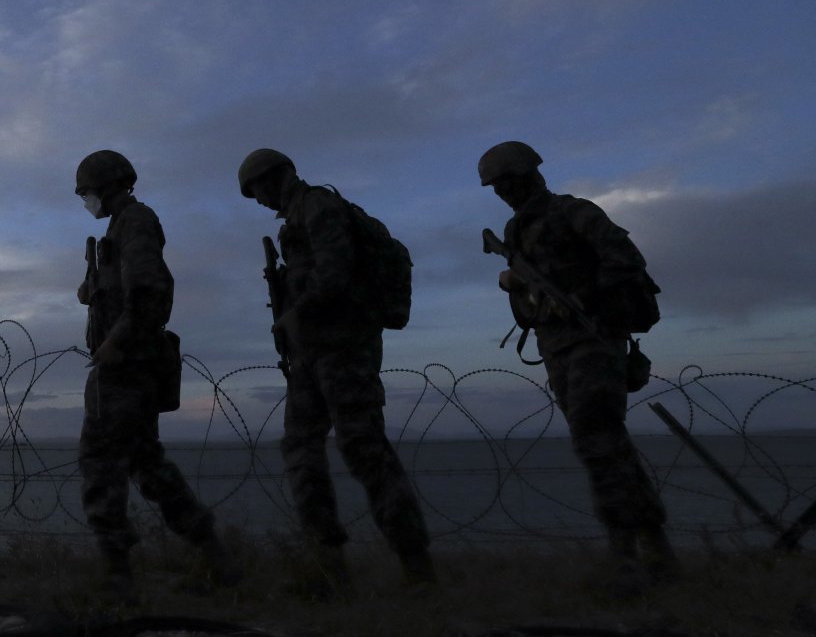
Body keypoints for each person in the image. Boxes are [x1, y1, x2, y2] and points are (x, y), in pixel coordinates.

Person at [479, 140, 678, 592]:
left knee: (597, 442)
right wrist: (514, 283)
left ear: (529, 175)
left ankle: (624, 555)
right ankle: (656, 545)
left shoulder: (573, 212)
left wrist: (590, 300)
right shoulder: (512, 233)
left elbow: (627, 261)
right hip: (557, 347)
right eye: (496, 187)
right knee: (609, 444)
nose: (503, 193)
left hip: (593, 339)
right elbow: (524, 301)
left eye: (508, 182)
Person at [237, 148, 435, 596]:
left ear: (279, 177)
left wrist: (295, 313)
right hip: (311, 354)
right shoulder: (294, 221)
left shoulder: (319, 206)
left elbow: (335, 274)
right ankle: (326, 566)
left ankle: (417, 568)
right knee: (301, 451)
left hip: (346, 348)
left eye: (260, 190)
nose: (260, 201)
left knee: (364, 449)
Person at [73, 149, 237, 599]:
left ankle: (117, 576)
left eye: (87, 192)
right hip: (125, 366)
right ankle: (216, 558)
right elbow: (127, 287)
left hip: (124, 368)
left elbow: (150, 289)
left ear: (106, 186)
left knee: (101, 463)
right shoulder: (117, 229)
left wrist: (116, 342)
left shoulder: (135, 221)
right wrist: (93, 290)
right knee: (147, 465)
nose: (86, 201)